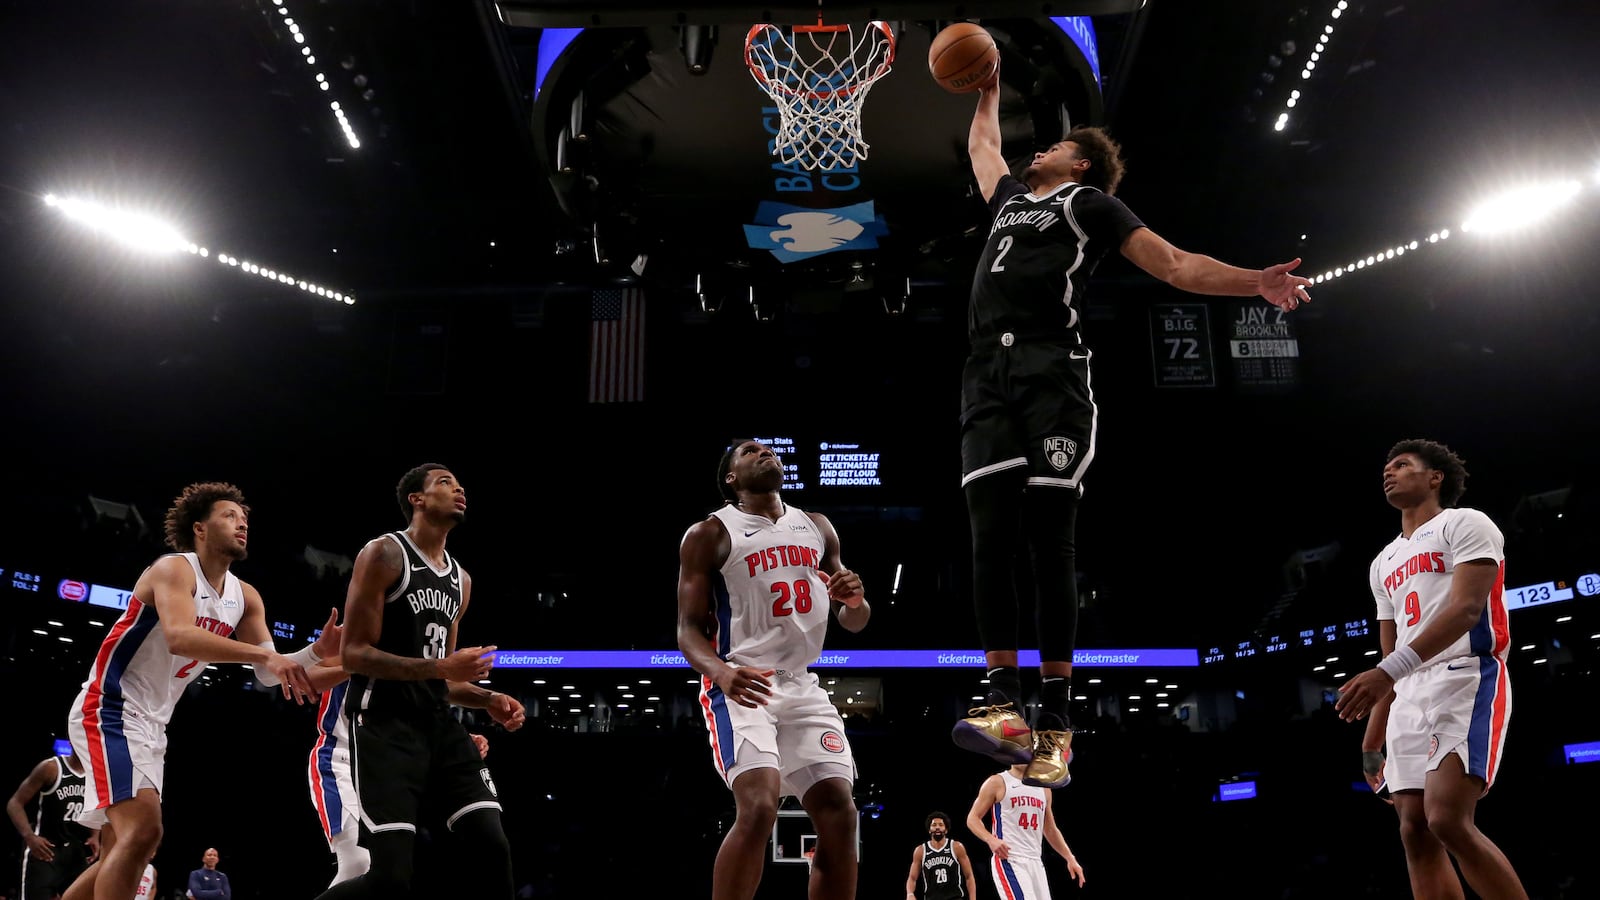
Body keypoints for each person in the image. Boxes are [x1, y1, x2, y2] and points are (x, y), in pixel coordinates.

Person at [950, 64, 1314, 789]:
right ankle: (1002, 702)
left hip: (1055, 374)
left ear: (1079, 161)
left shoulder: (1091, 204)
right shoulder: (1013, 200)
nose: (1035, 152)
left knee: (1049, 540)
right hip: (986, 373)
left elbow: (1176, 265)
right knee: (989, 536)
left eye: (1050, 147)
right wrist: (988, 93)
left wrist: (1256, 282)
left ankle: (1056, 720)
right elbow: (982, 151)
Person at [61, 482, 332, 900]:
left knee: (134, 844)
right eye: (229, 516)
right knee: (145, 831)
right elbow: (180, 638)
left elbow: (269, 675)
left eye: (245, 520)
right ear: (200, 528)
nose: (242, 524)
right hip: (111, 707)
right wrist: (266, 657)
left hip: (154, 724)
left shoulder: (245, 596)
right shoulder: (174, 569)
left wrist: (318, 652)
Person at [312, 464, 526, 900]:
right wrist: (443, 669)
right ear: (417, 499)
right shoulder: (384, 554)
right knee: (389, 880)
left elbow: (440, 678)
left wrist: (488, 698)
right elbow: (353, 654)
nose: (460, 488)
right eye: (445, 482)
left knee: (493, 846)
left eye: (460, 483)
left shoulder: (461, 581)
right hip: (383, 727)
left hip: (439, 727)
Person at [676, 439, 871, 900]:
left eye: (768, 449)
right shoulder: (709, 534)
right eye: (749, 451)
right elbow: (686, 631)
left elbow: (855, 621)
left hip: (802, 685)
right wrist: (721, 674)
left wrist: (856, 600)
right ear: (731, 478)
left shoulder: (817, 527)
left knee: (840, 812)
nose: (764, 452)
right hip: (743, 683)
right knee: (760, 806)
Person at [1335, 440, 1527, 899]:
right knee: (1414, 831)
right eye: (1386, 466)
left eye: (1402, 465)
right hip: (1408, 688)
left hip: (1465, 674)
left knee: (1445, 819)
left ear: (1434, 476)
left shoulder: (1466, 522)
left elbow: (1465, 610)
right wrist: (1371, 740)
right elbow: (1389, 658)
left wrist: (1387, 673)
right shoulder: (1382, 563)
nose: (1389, 471)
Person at [305, 654, 493, 889]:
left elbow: (431, 692)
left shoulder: (413, 638)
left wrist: (457, 740)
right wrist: (364, 662)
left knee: (391, 872)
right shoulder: (354, 629)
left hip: (387, 765)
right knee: (358, 863)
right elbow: (309, 678)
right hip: (341, 757)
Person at [965, 763, 1085, 900]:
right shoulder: (997, 781)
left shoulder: (1044, 788)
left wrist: (1070, 858)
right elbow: (972, 818)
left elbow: (1050, 829)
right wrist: (991, 839)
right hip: (1010, 859)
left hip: (1035, 861)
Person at [7, 752, 99, 900]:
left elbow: (95, 806)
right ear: (72, 740)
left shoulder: (95, 774)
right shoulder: (51, 768)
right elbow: (14, 803)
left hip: (77, 851)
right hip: (46, 851)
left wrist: (95, 835)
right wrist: (29, 836)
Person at [904, 811, 976, 900]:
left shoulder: (956, 847)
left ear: (946, 829)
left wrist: (973, 898)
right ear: (929, 829)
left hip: (954, 897)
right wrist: (910, 894)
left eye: (941, 825)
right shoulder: (920, 851)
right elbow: (912, 878)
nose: (937, 827)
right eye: (934, 825)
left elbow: (969, 876)